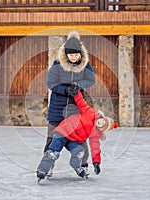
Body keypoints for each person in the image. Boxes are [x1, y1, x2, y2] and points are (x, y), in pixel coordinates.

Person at [37, 86, 118, 181]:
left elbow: (95, 148)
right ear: (102, 117)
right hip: (63, 132)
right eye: (102, 121)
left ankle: (77, 167)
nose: (100, 123)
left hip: (72, 140)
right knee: (53, 152)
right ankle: (43, 170)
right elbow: (81, 103)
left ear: (102, 129)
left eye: (102, 125)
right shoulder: (90, 113)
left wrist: (96, 162)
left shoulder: (95, 133)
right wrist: (76, 93)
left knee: (79, 151)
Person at [45, 30, 96, 176]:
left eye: (76, 54)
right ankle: (48, 165)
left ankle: (83, 164)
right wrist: (65, 89)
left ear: (81, 54)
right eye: (71, 55)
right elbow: (51, 83)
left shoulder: (85, 65)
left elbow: (91, 79)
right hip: (57, 108)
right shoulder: (57, 65)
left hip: (76, 109)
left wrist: (78, 85)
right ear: (66, 55)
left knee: (80, 137)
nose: (74, 57)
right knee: (51, 138)